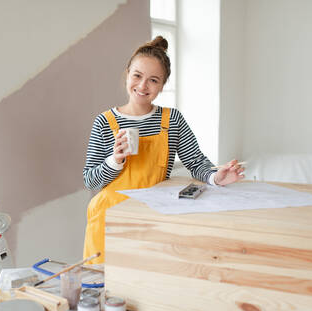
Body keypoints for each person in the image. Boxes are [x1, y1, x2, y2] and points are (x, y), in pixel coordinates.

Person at [82, 36, 245, 264]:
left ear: (162, 85)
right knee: (105, 286)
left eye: (153, 80)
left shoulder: (172, 120)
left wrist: (216, 177)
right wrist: (114, 161)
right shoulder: (104, 122)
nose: (142, 86)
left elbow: (196, 162)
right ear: (127, 73)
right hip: (110, 217)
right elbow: (90, 180)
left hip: (154, 215)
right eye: (137, 76)